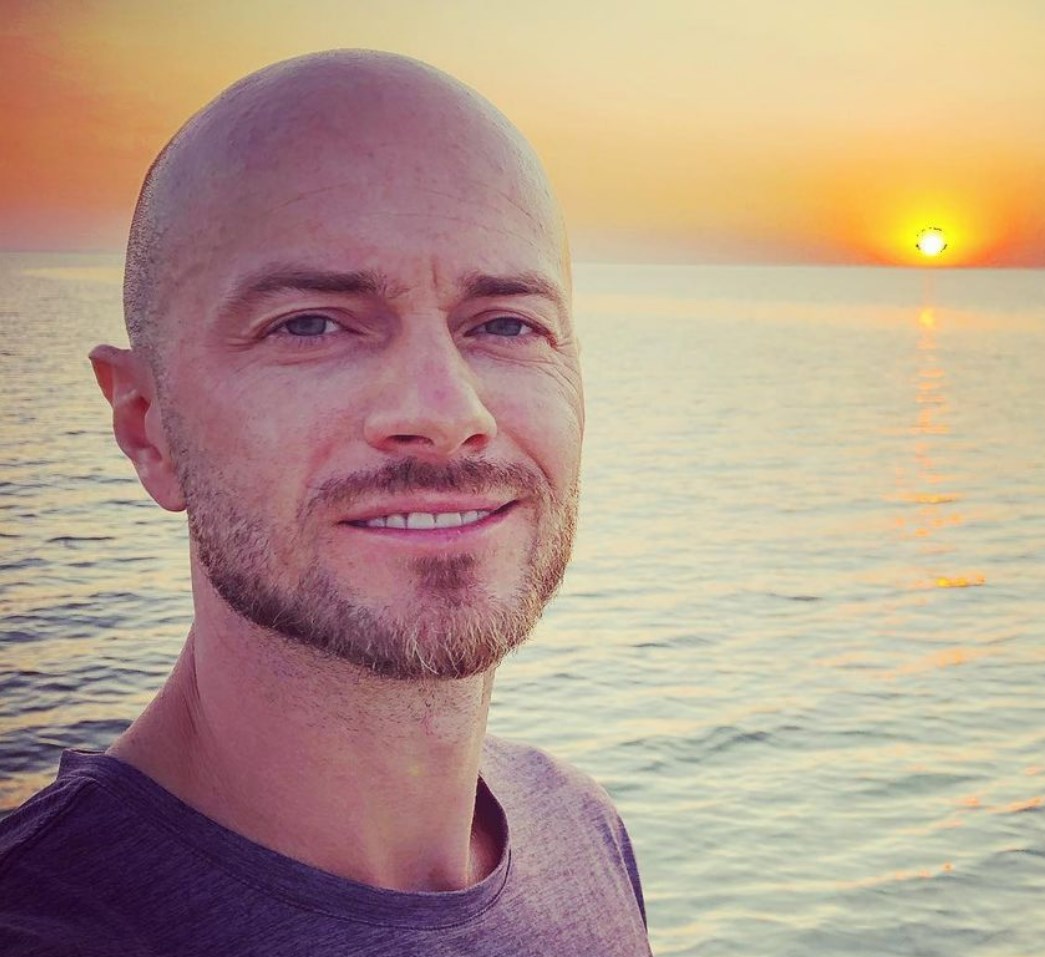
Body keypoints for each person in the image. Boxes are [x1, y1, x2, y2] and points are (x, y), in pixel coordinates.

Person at [0, 49, 651, 956]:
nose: (447, 412)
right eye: (309, 323)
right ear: (149, 427)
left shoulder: (580, 831)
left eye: (506, 323)